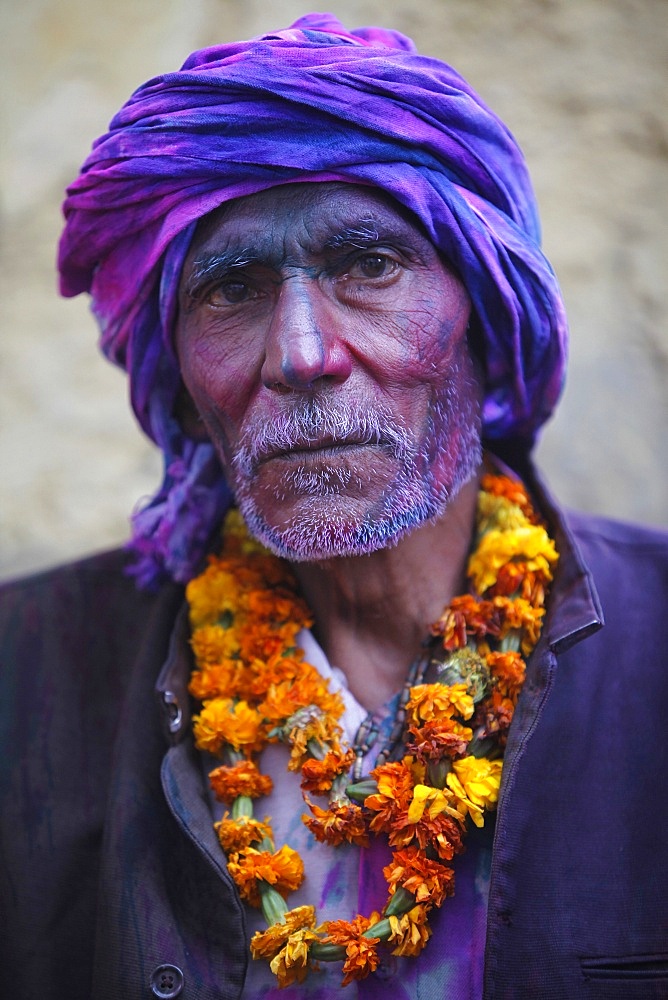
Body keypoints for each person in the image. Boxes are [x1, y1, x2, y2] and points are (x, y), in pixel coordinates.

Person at [1, 13, 667, 1000]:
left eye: (369, 266)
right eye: (232, 287)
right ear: (179, 378)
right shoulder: (25, 673)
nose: (302, 354)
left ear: (483, 320)